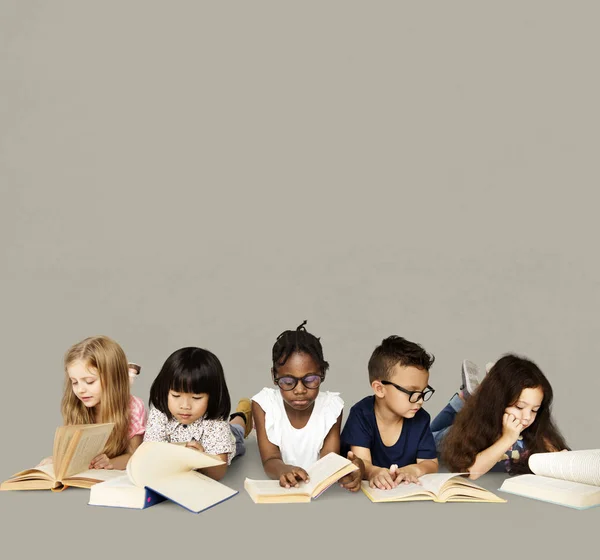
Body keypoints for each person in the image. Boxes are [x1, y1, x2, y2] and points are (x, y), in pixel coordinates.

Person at [252, 321, 363, 491]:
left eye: (310, 380)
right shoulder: (264, 405)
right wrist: (283, 469)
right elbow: (270, 459)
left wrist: (349, 469)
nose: (300, 390)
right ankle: (242, 416)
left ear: (322, 373)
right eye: (288, 381)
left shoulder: (331, 407)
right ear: (274, 376)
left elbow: (329, 457)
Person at [432, 355, 569, 479]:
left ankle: (479, 393)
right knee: (426, 437)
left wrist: (559, 458)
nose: (527, 417)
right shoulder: (469, 431)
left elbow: (554, 452)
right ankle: (466, 397)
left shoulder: (536, 431)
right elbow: (471, 472)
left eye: (534, 410)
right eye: (519, 407)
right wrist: (507, 438)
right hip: (444, 439)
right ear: (497, 403)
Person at [341, 336, 439, 490]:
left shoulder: (421, 418)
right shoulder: (361, 414)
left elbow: (431, 463)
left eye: (423, 391)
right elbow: (360, 461)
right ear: (380, 389)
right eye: (412, 392)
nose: (420, 400)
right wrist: (374, 472)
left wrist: (413, 469)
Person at [143, 346, 252, 481]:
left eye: (196, 398)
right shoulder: (159, 414)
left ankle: (243, 414)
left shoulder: (216, 424)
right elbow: (150, 452)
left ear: (213, 396)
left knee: (236, 430)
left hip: (229, 438)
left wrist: (202, 460)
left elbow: (218, 473)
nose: (185, 406)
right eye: (176, 396)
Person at [44, 335, 147, 470]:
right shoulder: (76, 405)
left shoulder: (133, 408)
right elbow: (73, 454)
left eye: (89, 382)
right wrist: (56, 460)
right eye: (74, 382)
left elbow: (135, 455)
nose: (80, 390)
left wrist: (111, 463)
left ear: (113, 379)